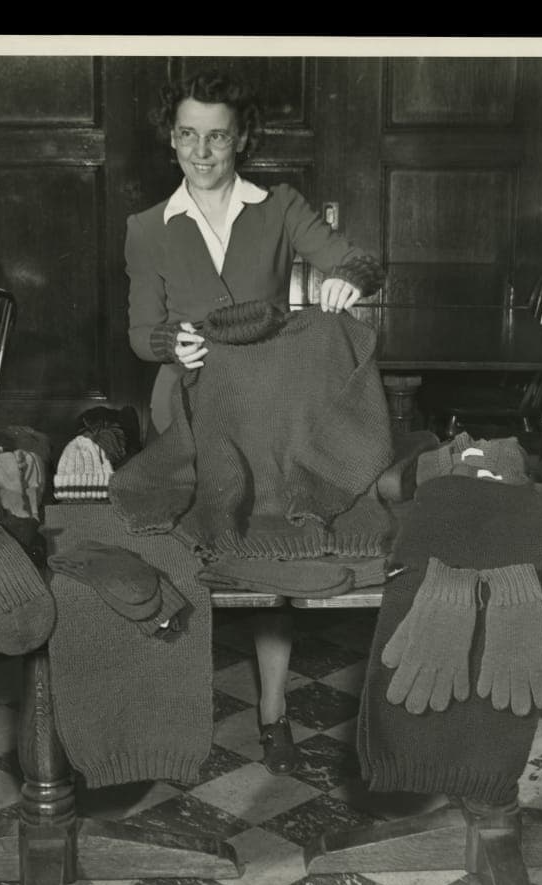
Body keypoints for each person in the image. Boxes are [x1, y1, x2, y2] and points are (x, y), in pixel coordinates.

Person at [124, 69, 384, 775]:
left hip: (263, 407)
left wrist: (349, 278)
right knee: (182, 555)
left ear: (241, 138)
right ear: (171, 138)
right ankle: (173, 716)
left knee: (270, 557)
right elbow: (139, 330)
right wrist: (169, 344)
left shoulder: (280, 207)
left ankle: (273, 716)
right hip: (182, 401)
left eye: (217, 136)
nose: (201, 151)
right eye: (187, 135)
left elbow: (357, 257)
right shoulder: (147, 228)